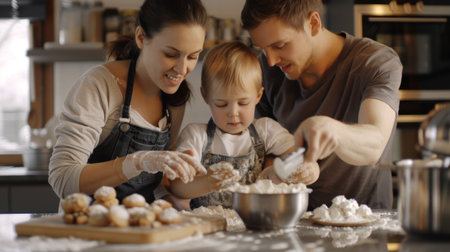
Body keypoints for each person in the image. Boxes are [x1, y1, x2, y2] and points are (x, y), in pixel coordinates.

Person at [241, 0, 402, 210]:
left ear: (313, 23)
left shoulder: (373, 61)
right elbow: (266, 145)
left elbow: (375, 143)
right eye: (263, 49)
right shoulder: (268, 70)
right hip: (291, 224)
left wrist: (334, 131)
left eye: (279, 45)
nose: (271, 60)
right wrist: (274, 171)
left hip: (364, 226)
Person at [48, 0, 208, 209]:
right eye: (170, 54)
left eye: (193, 56)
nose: (182, 68)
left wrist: (176, 202)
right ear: (141, 37)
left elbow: (160, 182)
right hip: (88, 227)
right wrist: (137, 162)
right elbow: (63, 178)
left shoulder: (174, 99)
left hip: (142, 227)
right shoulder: (99, 85)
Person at [169, 41, 319, 209]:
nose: (233, 113)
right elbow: (177, 187)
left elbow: (299, 156)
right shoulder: (196, 135)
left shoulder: (266, 130)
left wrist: (308, 169)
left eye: (243, 103)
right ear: (206, 96)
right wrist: (208, 182)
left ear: (258, 96)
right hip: (209, 228)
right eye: (221, 104)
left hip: (255, 225)